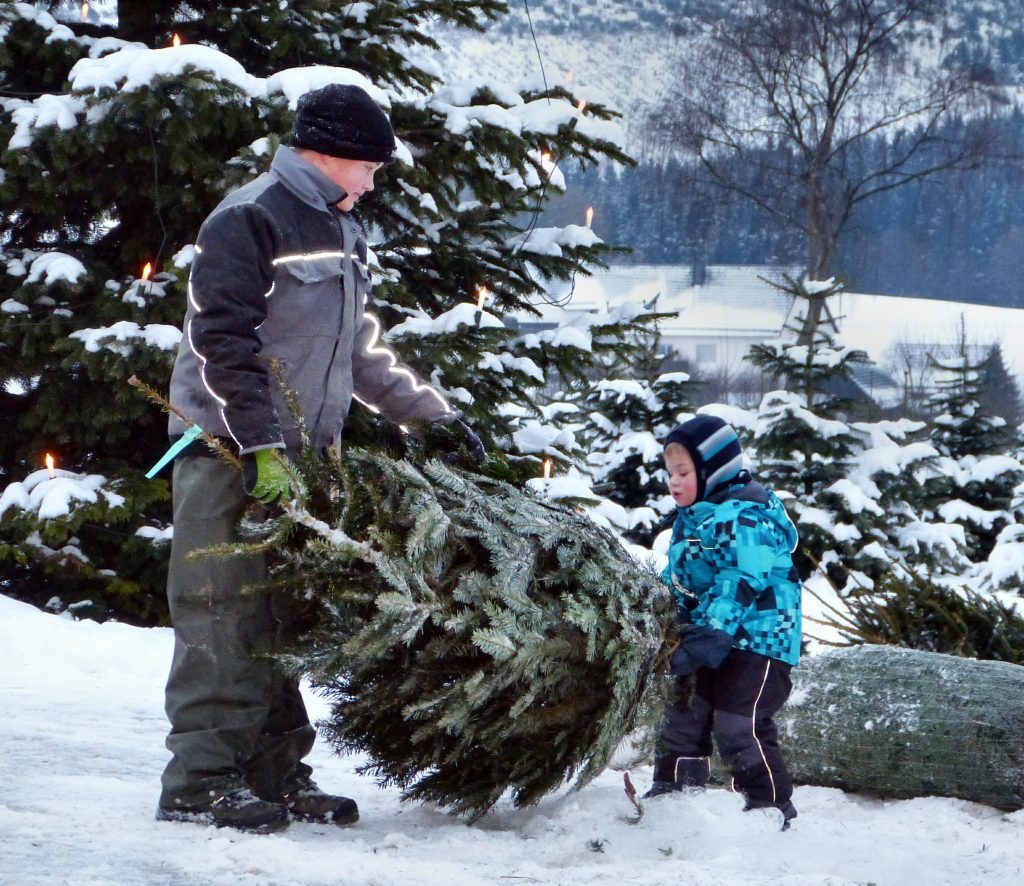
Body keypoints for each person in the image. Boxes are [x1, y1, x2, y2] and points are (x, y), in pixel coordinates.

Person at [156, 83, 483, 833]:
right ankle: (200, 781)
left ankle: (274, 773)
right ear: (327, 152)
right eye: (366, 166)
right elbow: (221, 344)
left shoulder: (342, 229)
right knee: (220, 612)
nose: (372, 182)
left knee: (278, 620)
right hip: (227, 455)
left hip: (304, 462)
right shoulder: (250, 215)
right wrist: (260, 446)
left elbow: (359, 351)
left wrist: (430, 416)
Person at [646, 414, 802, 830]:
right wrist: (662, 614)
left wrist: (713, 629)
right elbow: (679, 580)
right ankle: (675, 794)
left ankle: (769, 806)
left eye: (683, 472)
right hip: (707, 635)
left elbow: (741, 578)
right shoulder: (692, 521)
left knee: (738, 724)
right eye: (669, 473)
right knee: (685, 713)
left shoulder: (745, 518)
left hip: (759, 641)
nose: (673, 482)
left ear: (713, 472)